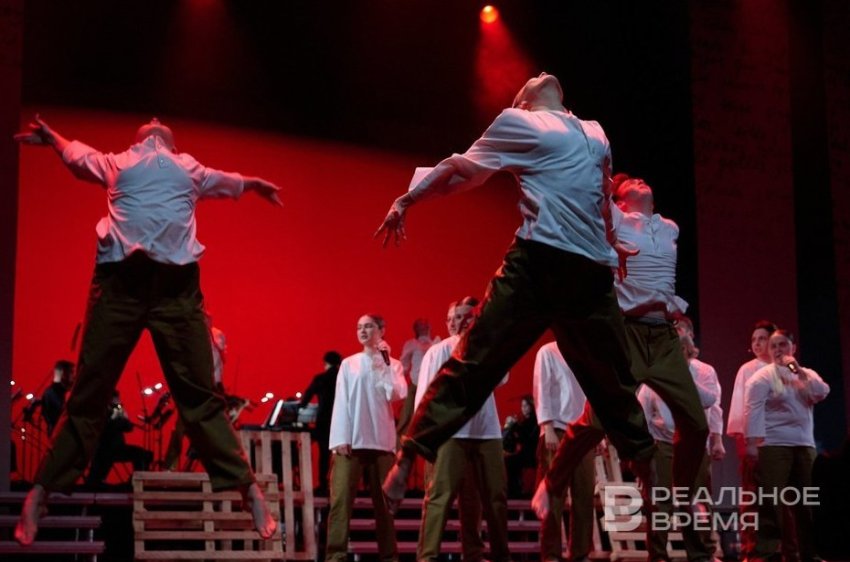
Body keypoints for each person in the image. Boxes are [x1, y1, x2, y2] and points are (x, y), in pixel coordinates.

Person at [375, 73, 657, 511]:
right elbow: (459, 169)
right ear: (523, 101)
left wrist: (611, 239)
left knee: (612, 376)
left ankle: (644, 463)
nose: (540, 74)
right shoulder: (518, 122)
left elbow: (600, 194)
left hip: (589, 271)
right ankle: (411, 451)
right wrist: (407, 200)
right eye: (531, 79)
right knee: (478, 359)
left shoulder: (595, 131)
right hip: (537, 262)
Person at [13, 115, 281, 545]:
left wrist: (251, 184)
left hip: (175, 289)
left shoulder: (188, 167)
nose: (155, 121)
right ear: (141, 139)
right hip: (121, 283)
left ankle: (247, 488)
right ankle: (41, 491)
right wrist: (53, 138)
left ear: (171, 145)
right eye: (149, 123)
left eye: (159, 123)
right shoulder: (118, 162)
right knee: (89, 391)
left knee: (200, 396)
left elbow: (227, 181)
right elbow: (79, 156)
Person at [532, 176, 709, 521]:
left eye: (644, 181)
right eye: (630, 185)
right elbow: (592, 190)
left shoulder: (670, 227)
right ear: (620, 201)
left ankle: (683, 495)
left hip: (665, 338)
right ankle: (551, 483)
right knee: (596, 419)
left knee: (696, 424)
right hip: (627, 334)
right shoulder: (614, 219)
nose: (640, 180)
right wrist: (600, 172)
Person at [415, 297, 510, 562]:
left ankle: (484, 554)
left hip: (486, 431)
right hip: (451, 433)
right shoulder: (438, 351)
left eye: (466, 316)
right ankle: (428, 556)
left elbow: (502, 378)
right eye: (455, 317)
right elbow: (424, 398)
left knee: (492, 497)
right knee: (439, 496)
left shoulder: (486, 347)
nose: (460, 322)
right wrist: (427, 437)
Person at [326, 314, 406, 562]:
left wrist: (384, 363)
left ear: (381, 330)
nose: (362, 331)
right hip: (352, 442)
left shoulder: (393, 364)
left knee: (384, 506)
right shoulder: (349, 364)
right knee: (341, 502)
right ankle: (335, 556)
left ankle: (389, 557)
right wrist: (340, 437)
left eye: (368, 326)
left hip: (381, 442)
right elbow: (341, 401)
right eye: (359, 327)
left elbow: (396, 393)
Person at [636, 329, 722, 562]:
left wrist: (682, 377)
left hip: (693, 445)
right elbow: (642, 412)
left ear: (684, 349)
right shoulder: (656, 373)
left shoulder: (702, 371)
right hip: (663, 444)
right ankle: (658, 555)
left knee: (695, 500)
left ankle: (701, 554)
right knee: (661, 501)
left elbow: (710, 400)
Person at [744, 330, 829, 562]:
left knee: (807, 501)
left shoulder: (806, 374)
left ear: (793, 348)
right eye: (773, 346)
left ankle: (810, 553)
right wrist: (752, 443)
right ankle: (767, 553)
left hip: (804, 444)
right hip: (773, 444)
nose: (778, 350)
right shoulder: (762, 377)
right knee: (771, 502)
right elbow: (753, 410)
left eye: (783, 345)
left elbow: (821, 392)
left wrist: (798, 371)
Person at [725, 320, 794, 561]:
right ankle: (752, 550)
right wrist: (745, 441)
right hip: (754, 439)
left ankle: (790, 549)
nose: (756, 344)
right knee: (752, 495)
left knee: (785, 495)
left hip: (781, 440)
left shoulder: (786, 369)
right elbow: (739, 407)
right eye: (753, 340)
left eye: (762, 339)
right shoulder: (748, 369)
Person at [533, 342, 595, 562]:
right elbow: (542, 389)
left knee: (584, 493)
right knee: (554, 495)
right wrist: (547, 426)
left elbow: (592, 392)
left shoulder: (585, 351)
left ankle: (580, 552)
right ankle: (550, 554)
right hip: (557, 428)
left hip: (583, 429)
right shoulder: (548, 352)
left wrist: (598, 432)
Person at [85, 391, 153, 488]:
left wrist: (124, 418)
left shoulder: (117, 410)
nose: (117, 401)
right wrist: (113, 417)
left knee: (144, 455)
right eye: (115, 399)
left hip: (118, 447)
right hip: (105, 449)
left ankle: (137, 481)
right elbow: (105, 428)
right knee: (97, 475)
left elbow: (129, 428)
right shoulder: (102, 411)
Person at [299, 350, 343, 495]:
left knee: (324, 454)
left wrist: (299, 407)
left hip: (324, 421)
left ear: (325, 363)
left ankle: (323, 484)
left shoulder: (320, 378)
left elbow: (305, 399)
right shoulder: (344, 378)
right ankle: (339, 484)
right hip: (342, 421)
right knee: (342, 455)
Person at [396, 318, 440, 440]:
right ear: (416, 329)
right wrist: (398, 380)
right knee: (407, 416)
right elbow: (404, 364)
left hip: (432, 385)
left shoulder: (436, 344)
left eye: (425, 325)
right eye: (420, 325)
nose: (423, 327)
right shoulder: (412, 344)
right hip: (416, 384)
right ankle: (400, 446)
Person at [503, 395, 538, 498]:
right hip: (525, 452)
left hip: (532, 454)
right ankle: (514, 489)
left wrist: (515, 426)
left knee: (511, 462)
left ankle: (514, 491)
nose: (523, 408)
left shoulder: (534, 420)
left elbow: (527, 438)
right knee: (509, 460)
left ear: (531, 406)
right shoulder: (524, 420)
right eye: (522, 406)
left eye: (526, 406)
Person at [40, 360, 74, 436]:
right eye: (71, 372)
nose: (74, 376)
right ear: (64, 374)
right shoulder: (52, 394)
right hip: (60, 434)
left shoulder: (51, 392)